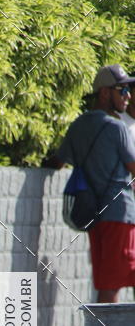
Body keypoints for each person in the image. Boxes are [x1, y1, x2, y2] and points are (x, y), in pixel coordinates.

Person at [50, 64, 135, 303]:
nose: (128, 96)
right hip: (120, 214)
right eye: (122, 90)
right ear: (105, 92)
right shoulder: (117, 127)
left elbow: (58, 162)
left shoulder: (78, 125)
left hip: (93, 214)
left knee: (107, 282)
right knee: (112, 284)